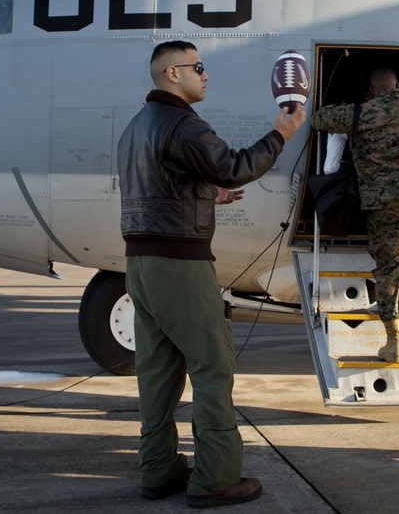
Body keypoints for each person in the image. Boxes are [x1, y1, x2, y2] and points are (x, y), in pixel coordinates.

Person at [117, 40, 305, 508]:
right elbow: (235, 166)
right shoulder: (183, 123)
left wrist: (205, 197)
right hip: (180, 263)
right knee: (212, 366)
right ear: (172, 74)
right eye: (198, 67)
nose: (206, 75)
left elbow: (162, 185)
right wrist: (281, 133)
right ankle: (216, 479)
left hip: (140, 263)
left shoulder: (135, 127)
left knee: (157, 372)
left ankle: (158, 471)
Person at [311, 68, 399, 361]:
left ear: (372, 90)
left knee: (388, 266)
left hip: (383, 203)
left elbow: (319, 119)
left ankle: (394, 341)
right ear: (398, 85)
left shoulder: (361, 113)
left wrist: (351, 110)